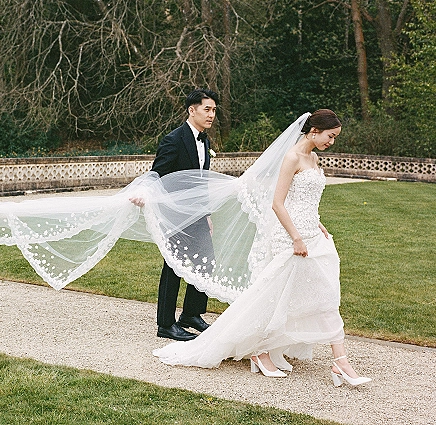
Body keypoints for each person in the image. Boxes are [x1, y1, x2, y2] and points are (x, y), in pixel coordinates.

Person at [152, 109, 372, 387]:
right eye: (331, 136)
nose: (332, 142)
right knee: (272, 297)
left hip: (311, 234)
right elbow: (278, 203)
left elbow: (307, 200)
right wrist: (296, 238)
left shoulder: (314, 158)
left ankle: (339, 362)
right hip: (290, 237)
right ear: (314, 131)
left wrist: (317, 224)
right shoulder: (291, 157)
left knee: (324, 295)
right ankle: (260, 351)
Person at [131, 88, 219, 341]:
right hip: (174, 215)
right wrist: (144, 191)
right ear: (192, 110)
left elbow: (200, 183)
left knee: (207, 262)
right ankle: (166, 324)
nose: (212, 114)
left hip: (198, 216)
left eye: (214, 110)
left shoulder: (205, 140)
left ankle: (191, 314)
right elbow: (158, 172)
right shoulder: (174, 139)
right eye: (207, 109)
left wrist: (207, 214)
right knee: (174, 267)